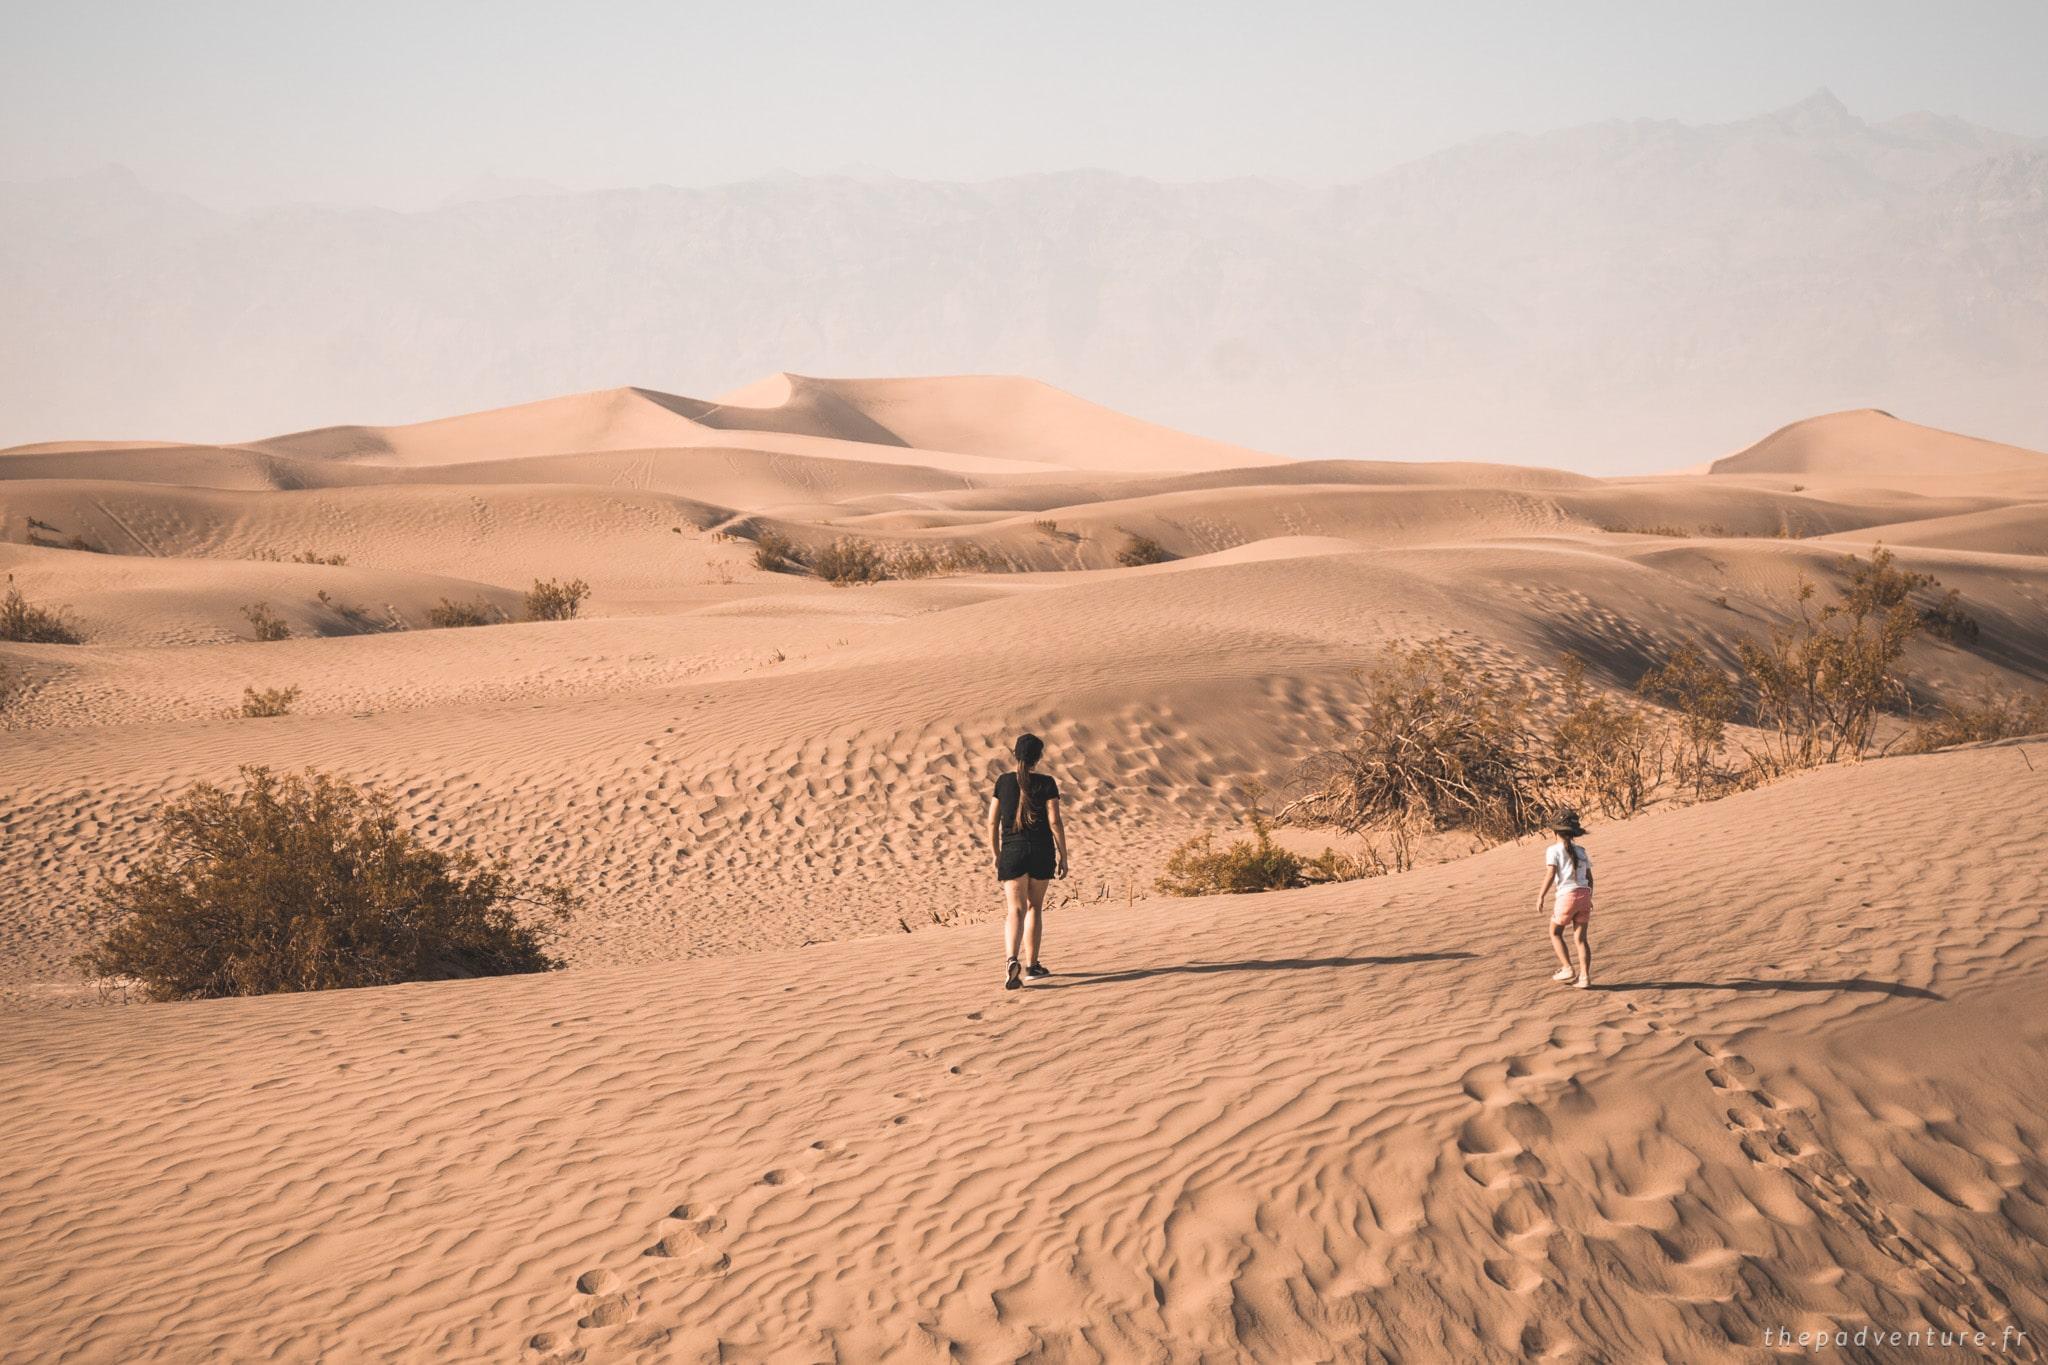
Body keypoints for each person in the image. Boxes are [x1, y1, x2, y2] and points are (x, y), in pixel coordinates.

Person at [988, 733, 1069, 990]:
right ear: (1038, 757)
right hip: (1041, 851)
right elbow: (1054, 821)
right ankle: (1033, 966)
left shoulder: (1003, 782)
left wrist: (996, 853)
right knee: (1034, 907)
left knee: (1015, 910)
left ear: (1015, 754)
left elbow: (992, 821)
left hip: (1012, 852)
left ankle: (1012, 958)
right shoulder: (1047, 783)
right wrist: (1064, 855)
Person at [1536, 810, 1594, 989]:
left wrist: (1541, 896)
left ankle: (1567, 968)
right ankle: (1584, 977)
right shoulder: (1581, 851)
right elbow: (1590, 878)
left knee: (1555, 932)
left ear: (1555, 832)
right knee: (1581, 939)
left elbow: (1551, 873)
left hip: (1567, 895)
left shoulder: (1553, 850)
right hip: (1584, 894)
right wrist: (1589, 896)